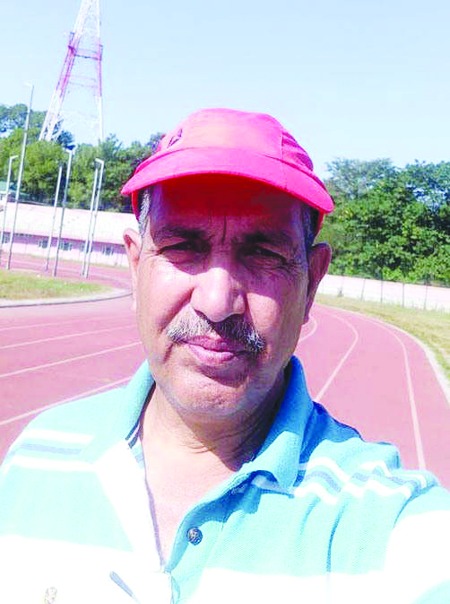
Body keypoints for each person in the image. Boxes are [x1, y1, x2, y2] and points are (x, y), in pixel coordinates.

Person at [0, 108, 449, 604]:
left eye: (264, 255)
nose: (217, 302)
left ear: (311, 283)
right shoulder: (35, 458)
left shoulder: (389, 528)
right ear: (135, 266)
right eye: (182, 247)